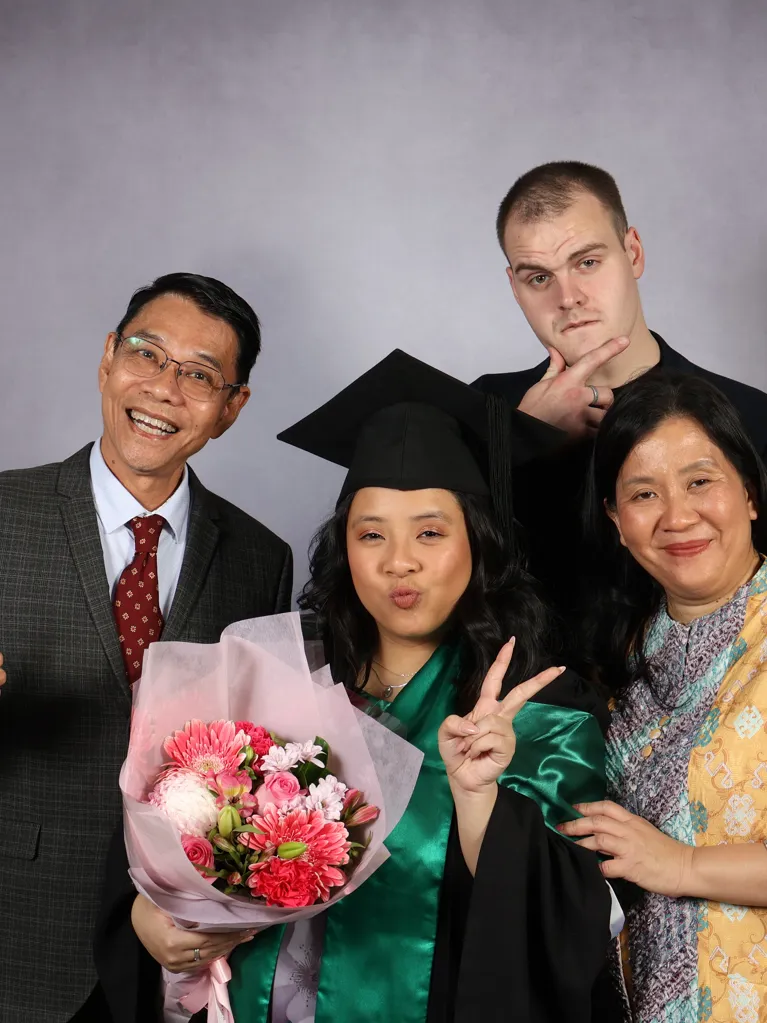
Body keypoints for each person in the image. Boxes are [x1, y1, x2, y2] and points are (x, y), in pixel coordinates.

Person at [224, 350, 618, 1023]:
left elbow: (569, 922)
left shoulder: (542, 709)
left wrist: (476, 798)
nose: (397, 561)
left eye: (430, 532)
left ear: (479, 541)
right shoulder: (281, 677)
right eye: (369, 532)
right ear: (343, 548)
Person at [0, 273, 292, 1023]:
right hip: (18, 930)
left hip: (177, 952)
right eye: (147, 355)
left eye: (198, 375)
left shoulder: (261, 558)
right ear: (107, 358)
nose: (165, 388)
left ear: (231, 407)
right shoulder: (5, 513)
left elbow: (261, 760)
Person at [558, 372, 767, 1022]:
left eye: (699, 480)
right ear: (616, 520)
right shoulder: (622, 646)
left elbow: (662, 859)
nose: (676, 516)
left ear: (749, 491)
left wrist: (679, 863)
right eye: (643, 493)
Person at [472, 161, 767, 609]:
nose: (567, 297)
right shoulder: (482, 411)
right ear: (514, 287)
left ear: (633, 253)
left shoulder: (751, 416)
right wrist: (520, 443)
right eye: (539, 278)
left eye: (587, 262)